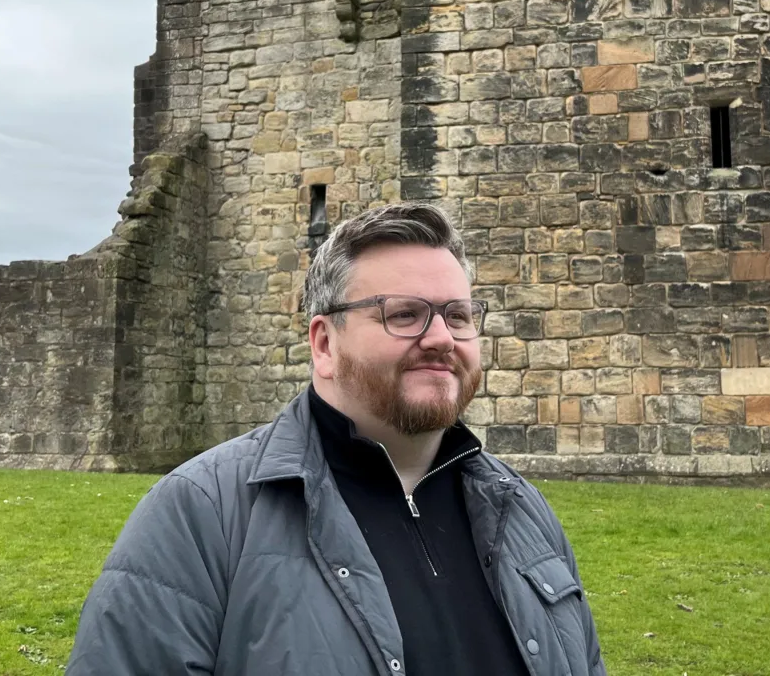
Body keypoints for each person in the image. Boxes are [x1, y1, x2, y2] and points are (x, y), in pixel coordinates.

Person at [66, 202, 606, 676]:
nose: (441, 338)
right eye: (405, 314)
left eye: (458, 316)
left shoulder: (521, 510)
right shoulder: (201, 515)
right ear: (324, 344)